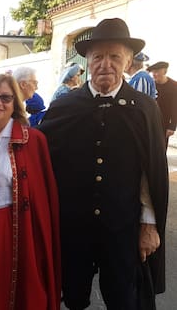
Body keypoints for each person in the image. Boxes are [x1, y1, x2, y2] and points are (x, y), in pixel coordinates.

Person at [39, 18, 168, 310]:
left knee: (123, 298)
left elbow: (151, 174)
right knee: (72, 296)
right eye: (98, 56)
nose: (105, 64)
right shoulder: (64, 107)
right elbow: (41, 160)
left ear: (128, 61)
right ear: (87, 60)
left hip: (123, 225)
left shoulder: (143, 109)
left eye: (114, 56)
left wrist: (149, 225)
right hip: (73, 225)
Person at [0, 73, 61, 310]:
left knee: (19, 290)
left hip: (17, 227)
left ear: (15, 104)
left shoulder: (33, 140)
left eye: (6, 98)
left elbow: (43, 198)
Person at [147, 61, 177, 146]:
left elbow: (175, 107)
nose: (154, 74)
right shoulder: (151, 84)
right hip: (150, 121)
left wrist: (172, 126)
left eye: (157, 72)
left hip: (164, 122)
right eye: (153, 72)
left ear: (164, 71)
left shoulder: (174, 86)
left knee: (162, 147)